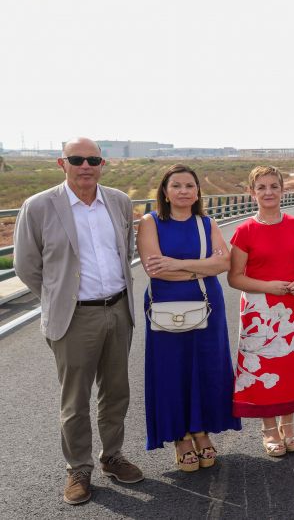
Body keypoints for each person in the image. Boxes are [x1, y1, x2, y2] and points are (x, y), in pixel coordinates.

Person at [13, 138, 144, 505]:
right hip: (74, 317)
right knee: (75, 399)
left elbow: (126, 250)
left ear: (102, 164)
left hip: (118, 309)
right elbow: (26, 265)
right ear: (62, 163)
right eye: (77, 159)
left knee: (116, 391)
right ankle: (78, 468)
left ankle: (112, 456)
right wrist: (58, 298)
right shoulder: (39, 206)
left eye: (93, 159)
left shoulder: (118, 201)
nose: (85, 165)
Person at [137, 164, 242, 471]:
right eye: (176, 185)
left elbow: (224, 263)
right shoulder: (150, 222)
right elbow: (155, 269)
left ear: (197, 192)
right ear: (165, 192)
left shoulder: (206, 223)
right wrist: (200, 267)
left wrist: (176, 264)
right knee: (172, 370)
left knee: (206, 368)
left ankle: (201, 430)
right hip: (165, 308)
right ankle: (181, 437)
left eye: (189, 186)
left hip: (207, 305)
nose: (183, 191)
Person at [228, 166, 294, 456]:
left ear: (282, 190)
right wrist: (268, 287)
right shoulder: (244, 231)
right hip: (259, 310)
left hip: (293, 309)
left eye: (274, 186)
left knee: (289, 367)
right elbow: (235, 277)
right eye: (262, 187)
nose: (268, 192)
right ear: (251, 193)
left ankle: (288, 426)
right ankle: (269, 429)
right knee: (264, 367)